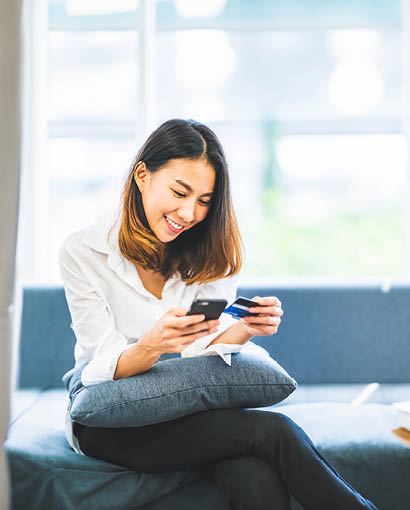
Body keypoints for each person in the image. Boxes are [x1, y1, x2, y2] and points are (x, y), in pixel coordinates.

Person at [59, 118, 378, 510]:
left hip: (193, 412)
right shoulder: (82, 251)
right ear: (142, 175)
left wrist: (245, 329)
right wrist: (152, 345)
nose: (189, 212)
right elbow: (100, 362)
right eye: (180, 192)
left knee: (254, 476)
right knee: (273, 432)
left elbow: (203, 349)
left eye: (204, 200)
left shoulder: (211, 252)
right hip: (116, 422)